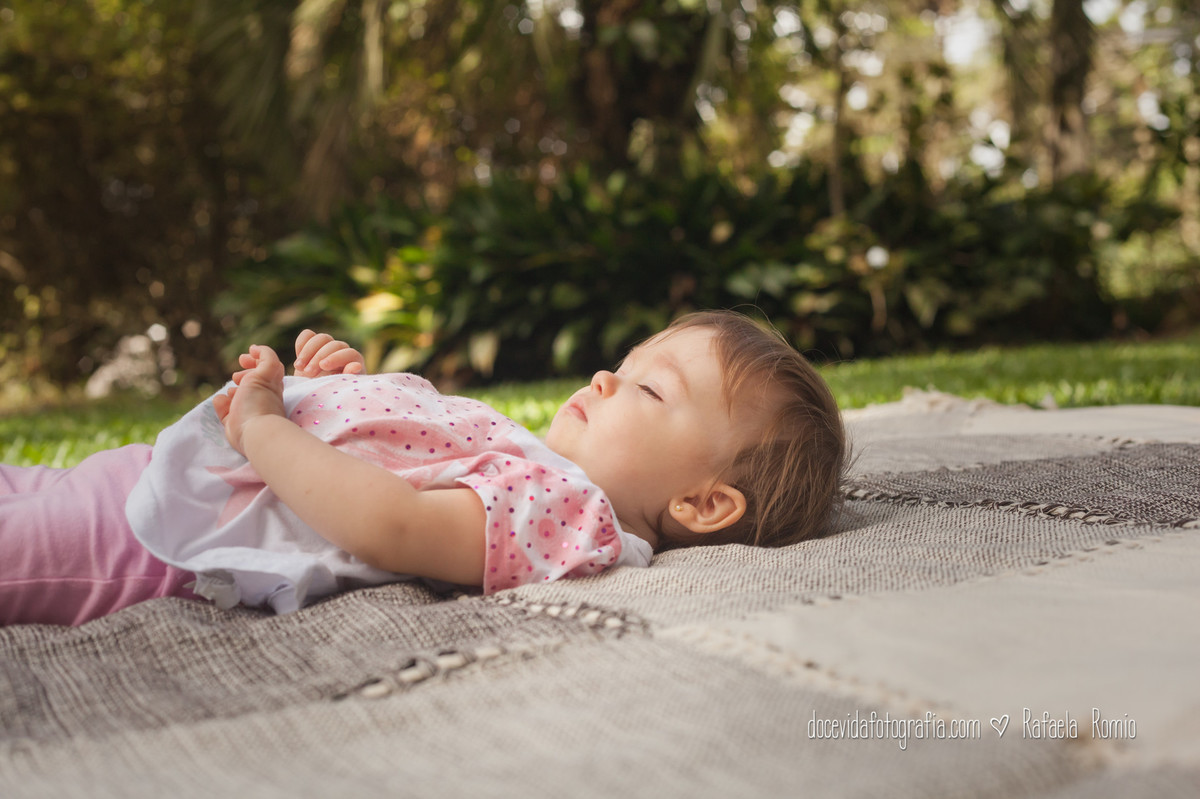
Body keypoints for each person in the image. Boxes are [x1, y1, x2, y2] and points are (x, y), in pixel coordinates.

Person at [0, 311, 846, 626]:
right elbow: (408, 461)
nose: (605, 377)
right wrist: (343, 394)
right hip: (150, 476)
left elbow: (387, 523)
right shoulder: (541, 463)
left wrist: (264, 424)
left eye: (650, 389)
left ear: (702, 503)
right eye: (624, 360)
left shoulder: (567, 513)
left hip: (153, 543)